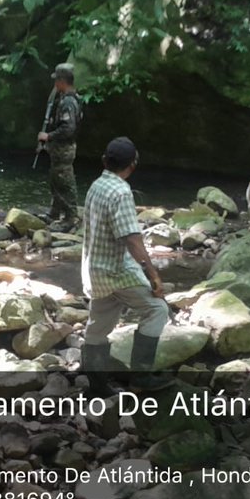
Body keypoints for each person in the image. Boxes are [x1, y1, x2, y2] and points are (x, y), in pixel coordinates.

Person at [80, 137, 170, 393]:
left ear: (104, 161)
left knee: (98, 326)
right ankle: (141, 377)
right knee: (157, 310)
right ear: (132, 165)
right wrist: (153, 275)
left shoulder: (96, 185)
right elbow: (132, 239)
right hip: (115, 272)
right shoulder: (121, 191)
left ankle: (96, 385)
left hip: (94, 270)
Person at [38, 63, 82, 231]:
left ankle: (71, 218)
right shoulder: (65, 98)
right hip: (59, 149)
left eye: (57, 80)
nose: (55, 84)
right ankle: (54, 213)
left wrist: (48, 136)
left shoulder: (69, 102)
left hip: (64, 150)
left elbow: (68, 128)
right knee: (56, 179)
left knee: (65, 181)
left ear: (63, 81)